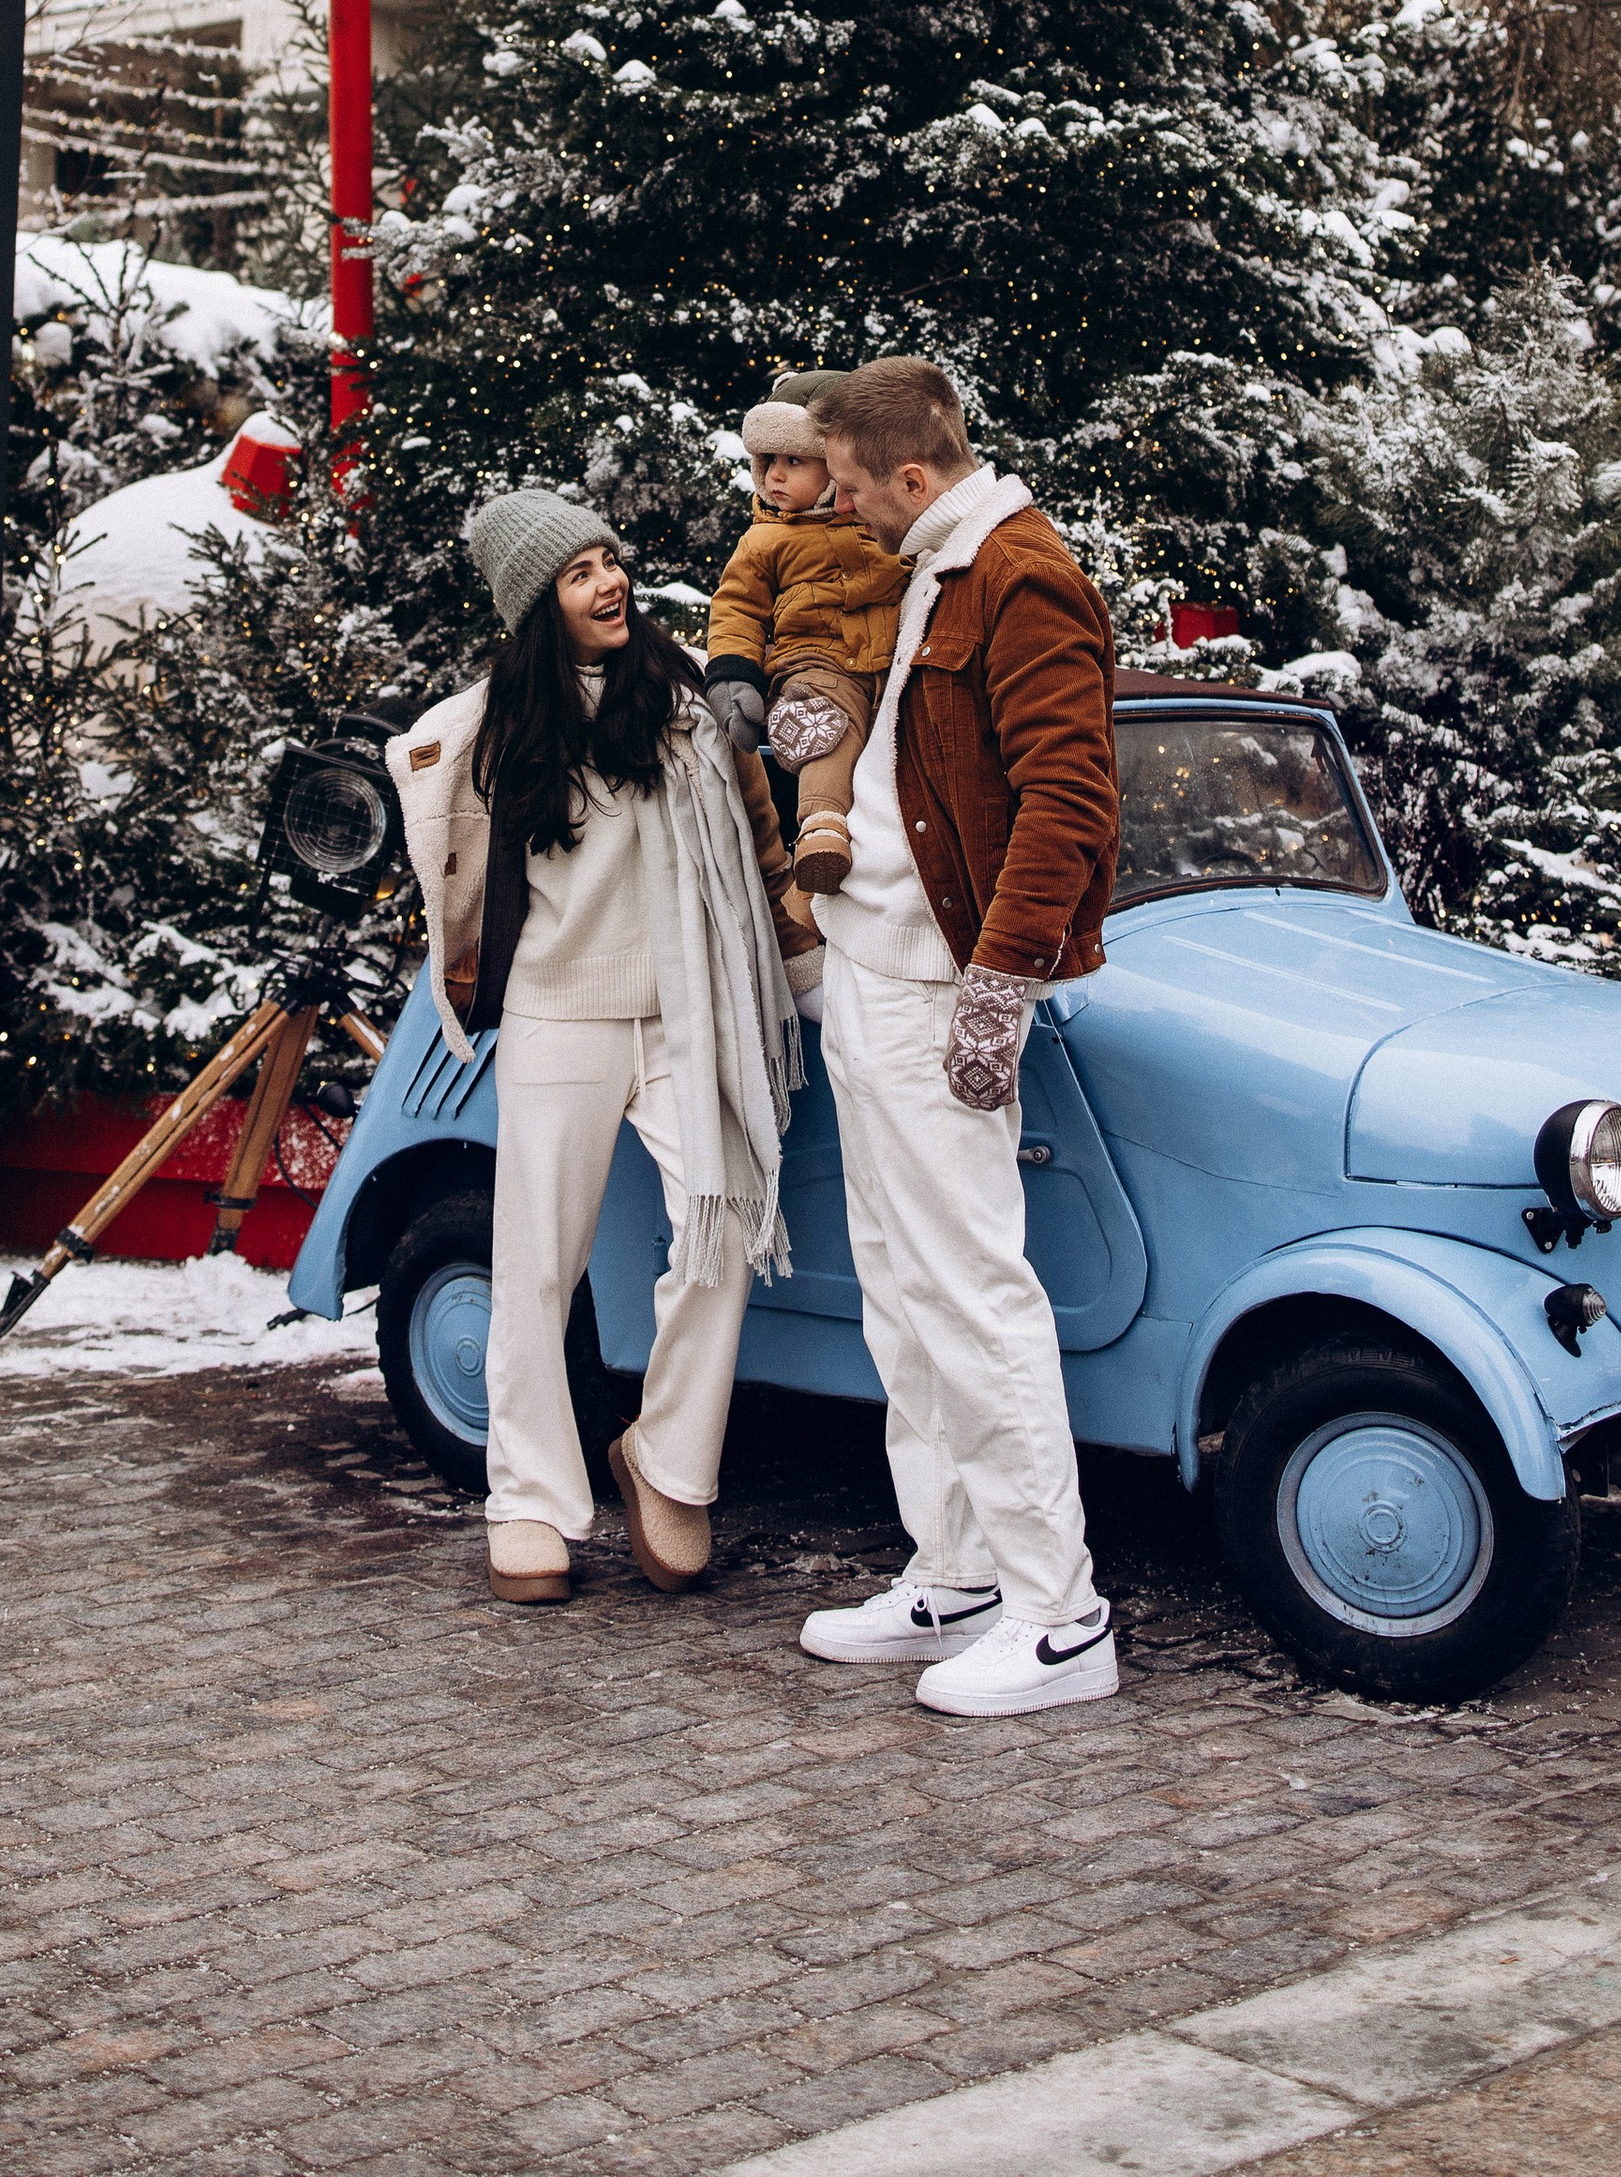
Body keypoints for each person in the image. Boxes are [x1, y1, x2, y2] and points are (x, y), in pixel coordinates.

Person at [388, 489, 810, 1608]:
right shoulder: (489, 734)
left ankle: (667, 1463)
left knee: (724, 1228)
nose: (610, 581)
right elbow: (449, 860)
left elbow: (761, 852)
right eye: (578, 571)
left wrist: (803, 971)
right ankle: (527, 1500)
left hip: (688, 1012)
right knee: (534, 1264)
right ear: (538, 606)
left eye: (610, 558)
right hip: (559, 1013)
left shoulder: (685, 710)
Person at [795, 356, 1124, 1721]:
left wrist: (999, 987)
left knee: (974, 1291)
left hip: (944, 992)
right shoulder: (934, 562)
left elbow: (1069, 798)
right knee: (901, 1286)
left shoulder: (1021, 574)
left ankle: (1062, 1616)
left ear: (914, 477)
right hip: (874, 979)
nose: (844, 507)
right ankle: (960, 1572)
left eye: (857, 485)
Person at [705, 369, 910, 897]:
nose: (774, 475)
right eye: (767, 462)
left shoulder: (877, 519)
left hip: (892, 660)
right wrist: (733, 673)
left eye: (793, 461)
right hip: (813, 660)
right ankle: (819, 830)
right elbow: (736, 609)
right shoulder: (763, 539)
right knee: (821, 727)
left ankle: (862, 859)